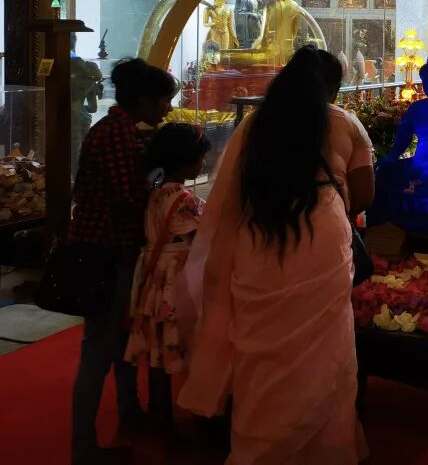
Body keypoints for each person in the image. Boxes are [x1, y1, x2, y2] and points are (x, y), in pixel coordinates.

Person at [179, 47, 374, 464]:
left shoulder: (256, 124)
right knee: (327, 346)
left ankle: (259, 447)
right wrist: (333, 202)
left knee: (261, 344)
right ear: (332, 88)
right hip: (323, 236)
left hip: (260, 233)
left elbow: (231, 193)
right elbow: (365, 196)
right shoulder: (345, 123)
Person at [69, 58, 177, 463]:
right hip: (103, 253)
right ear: (144, 100)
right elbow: (126, 198)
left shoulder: (121, 131)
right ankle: (83, 447)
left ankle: (128, 414)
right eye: (163, 101)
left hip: (113, 251)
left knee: (116, 343)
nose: (167, 109)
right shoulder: (115, 134)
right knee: (98, 350)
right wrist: (164, 199)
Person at [123, 123, 210, 427]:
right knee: (183, 341)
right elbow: (202, 235)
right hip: (176, 280)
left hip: (154, 277)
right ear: (185, 161)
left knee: (159, 348)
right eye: (200, 159)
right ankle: (189, 412)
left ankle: (159, 411)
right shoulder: (184, 200)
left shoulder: (154, 193)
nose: (202, 164)